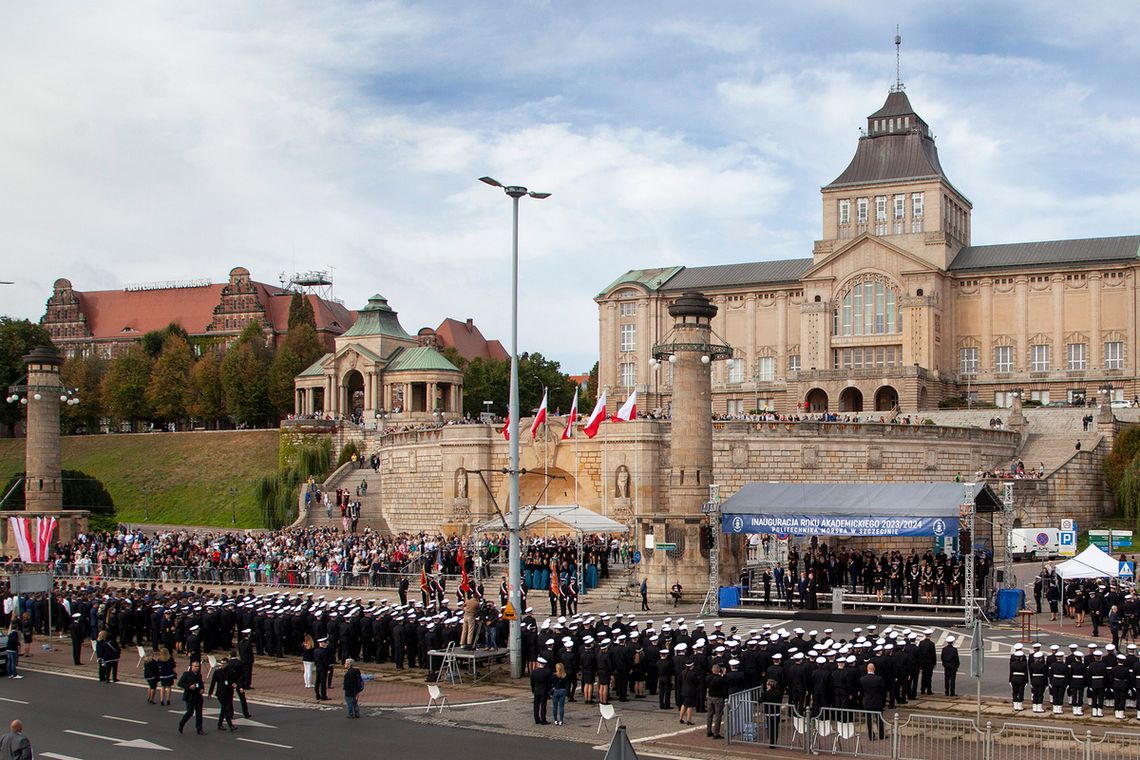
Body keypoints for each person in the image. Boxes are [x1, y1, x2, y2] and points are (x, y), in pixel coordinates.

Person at [177, 660, 207, 735]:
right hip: (190, 696)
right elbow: (180, 683)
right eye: (195, 666)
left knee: (199, 713)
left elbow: (200, 683)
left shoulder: (199, 675)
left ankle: (199, 729)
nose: (197, 668)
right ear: (191, 667)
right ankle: (182, 723)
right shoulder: (186, 674)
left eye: (198, 666)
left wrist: (202, 689)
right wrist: (189, 687)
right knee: (190, 712)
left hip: (198, 696)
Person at [208, 655, 236, 732]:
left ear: (227, 664)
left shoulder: (231, 671)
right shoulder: (217, 672)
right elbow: (213, 683)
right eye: (221, 663)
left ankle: (219, 724)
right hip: (221, 693)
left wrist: (234, 684)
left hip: (229, 693)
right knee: (226, 709)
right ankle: (231, 725)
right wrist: (210, 693)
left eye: (224, 663)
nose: (222, 665)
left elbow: (234, 680)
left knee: (224, 709)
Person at [860, 663, 887, 741]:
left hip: (867, 701)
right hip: (877, 701)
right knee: (879, 719)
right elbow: (883, 690)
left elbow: (862, 691)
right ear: (874, 669)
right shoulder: (879, 679)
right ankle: (881, 735)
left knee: (868, 719)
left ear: (867, 669)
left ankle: (871, 736)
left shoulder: (862, 679)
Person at [706, 663, 727, 740]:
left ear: (712, 670)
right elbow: (725, 685)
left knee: (709, 715)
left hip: (710, 697)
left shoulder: (708, 678)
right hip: (718, 698)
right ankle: (716, 733)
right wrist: (724, 675)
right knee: (718, 716)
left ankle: (708, 731)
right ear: (719, 670)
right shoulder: (720, 679)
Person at [530, 657, 552, 725]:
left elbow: (532, 682)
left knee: (536, 705)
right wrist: (548, 690)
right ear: (544, 664)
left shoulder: (534, 672)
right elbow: (549, 683)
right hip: (544, 690)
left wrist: (533, 689)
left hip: (536, 690)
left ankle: (536, 719)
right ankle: (543, 719)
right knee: (543, 705)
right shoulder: (547, 672)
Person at [762, 678, 783, 748]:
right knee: (775, 728)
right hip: (776, 713)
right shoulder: (778, 693)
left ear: (769, 685)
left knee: (770, 728)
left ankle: (771, 743)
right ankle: (774, 743)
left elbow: (760, 700)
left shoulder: (766, 693)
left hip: (769, 713)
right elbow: (780, 701)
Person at [551, 661, 570, 726]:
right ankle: (561, 720)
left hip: (556, 691)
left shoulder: (554, 675)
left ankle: (555, 720)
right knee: (561, 706)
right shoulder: (565, 675)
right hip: (563, 691)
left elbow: (552, 684)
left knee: (555, 706)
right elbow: (568, 685)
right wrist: (568, 693)